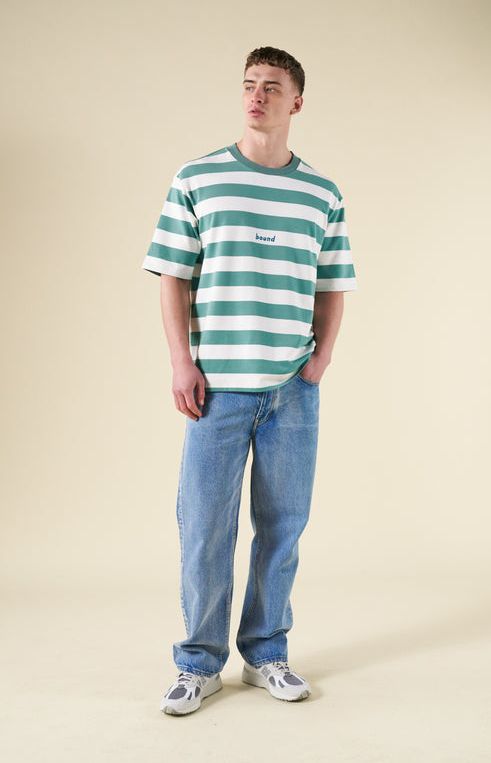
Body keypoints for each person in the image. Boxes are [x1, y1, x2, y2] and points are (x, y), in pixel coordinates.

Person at [142, 46, 357, 715]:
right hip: (217, 389)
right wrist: (181, 361)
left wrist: (321, 358)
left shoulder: (322, 192)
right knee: (206, 528)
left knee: (283, 528)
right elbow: (172, 275)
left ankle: (265, 653)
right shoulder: (198, 177)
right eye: (248, 85)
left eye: (271, 86)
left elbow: (332, 282)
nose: (256, 96)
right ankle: (198, 664)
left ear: (297, 101)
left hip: (292, 389)